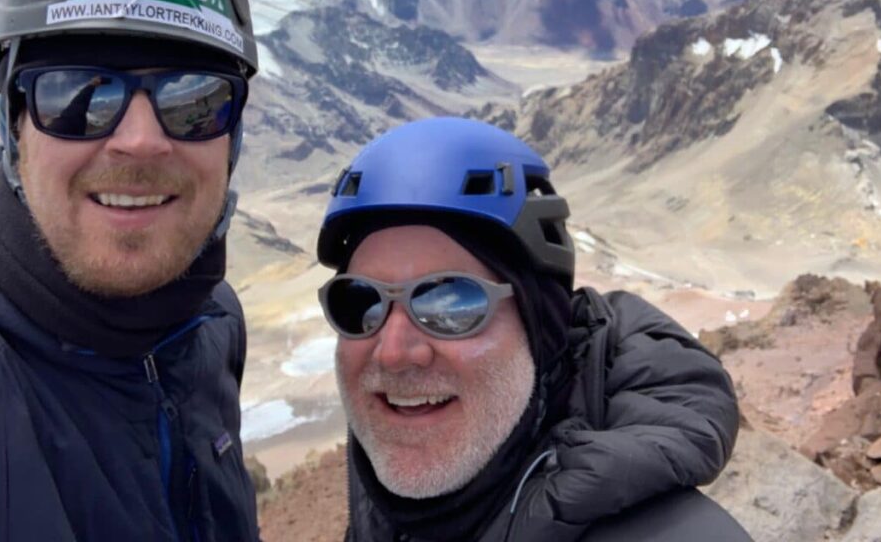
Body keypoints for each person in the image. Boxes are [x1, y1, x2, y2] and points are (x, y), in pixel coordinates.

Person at [0, 0, 261, 542]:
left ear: (233, 140)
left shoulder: (211, 326)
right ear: (14, 128)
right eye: (77, 95)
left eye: (193, 101)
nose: (140, 142)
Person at [317, 117, 752, 541]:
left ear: (542, 329)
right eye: (360, 301)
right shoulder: (385, 514)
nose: (393, 352)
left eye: (452, 303)